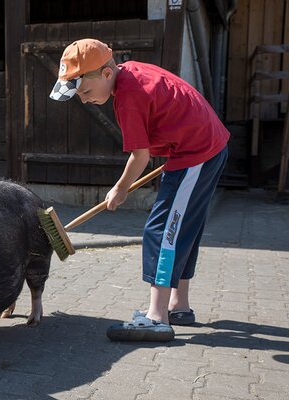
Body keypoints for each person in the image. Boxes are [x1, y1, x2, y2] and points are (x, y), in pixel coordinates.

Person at [49, 39, 230, 341]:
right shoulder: (130, 75)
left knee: (161, 230)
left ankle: (156, 317)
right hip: (203, 147)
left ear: (106, 74)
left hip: (197, 152)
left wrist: (120, 190)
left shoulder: (129, 97)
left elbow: (140, 156)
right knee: (186, 228)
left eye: (85, 91)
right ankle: (179, 305)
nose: (84, 100)